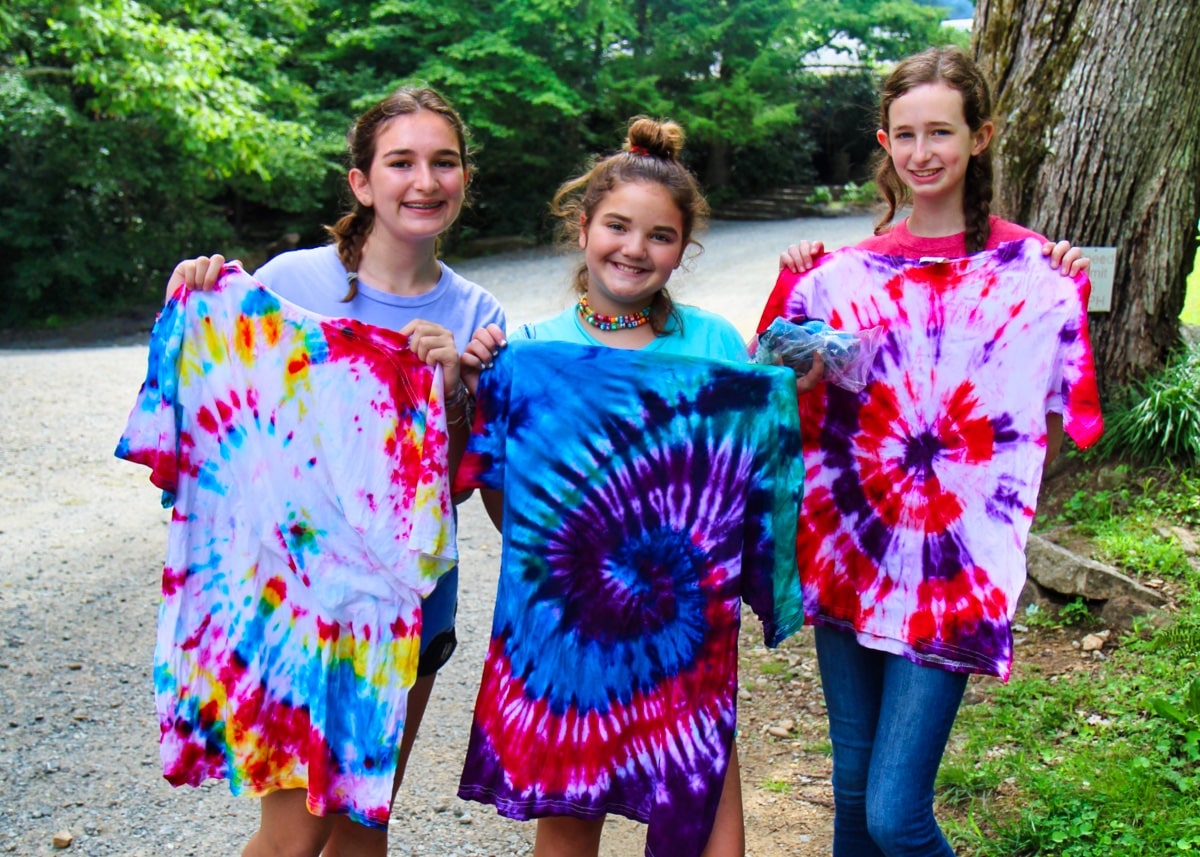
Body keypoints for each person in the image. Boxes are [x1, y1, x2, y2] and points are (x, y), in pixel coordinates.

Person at [134, 86, 505, 857]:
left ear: (464, 179)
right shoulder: (285, 287)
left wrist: (454, 394)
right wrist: (199, 295)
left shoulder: (477, 313)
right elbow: (223, 425)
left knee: (365, 821)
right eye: (400, 162)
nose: (424, 181)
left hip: (405, 600)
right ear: (363, 182)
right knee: (293, 831)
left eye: (444, 162)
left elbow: (463, 485)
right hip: (290, 596)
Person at [757, 46, 1104, 856]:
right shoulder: (847, 273)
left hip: (956, 566)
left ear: (980, 137)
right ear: (885, 140)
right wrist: (793, 296)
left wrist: (1064, 287)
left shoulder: (1029, 267)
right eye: (905, 135)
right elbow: (775, 387)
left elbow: (1072, 408)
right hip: (851, 549)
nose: (922, 153)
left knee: (895, 813)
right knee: (850, 795)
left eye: (941, 132)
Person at [457, 118, 811, 857]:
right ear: (583, 227)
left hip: (685, 649)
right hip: (572, 638)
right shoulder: (529, 353)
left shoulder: (715, 348)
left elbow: (748, 478)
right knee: (568, 832)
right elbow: (505, 498)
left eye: (660, 236)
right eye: (617, 226)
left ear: (683, 249)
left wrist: (786, 391)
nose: (634, 249)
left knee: (715, 840)